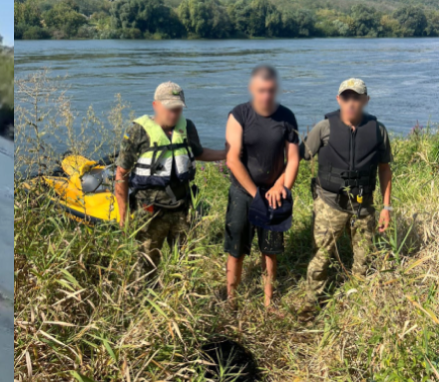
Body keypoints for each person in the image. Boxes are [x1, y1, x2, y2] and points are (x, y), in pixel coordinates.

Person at [299, 78, 392, 315]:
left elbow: (384, 169)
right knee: (321, 255)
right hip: (330, 203)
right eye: (346, 97)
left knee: (364, 256)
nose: (351, 103)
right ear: (339, 99)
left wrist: (386, 207)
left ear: (366, 100)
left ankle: (359, 304)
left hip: (363, 203)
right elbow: (300, 155)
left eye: (357, 98)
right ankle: (311, 306)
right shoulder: (324, 128)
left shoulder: (378, 130)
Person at [114, 82, 226, 269]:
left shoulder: (187, 127)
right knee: (145, 266)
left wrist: (226, 154)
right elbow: (121, 173)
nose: (174, 114)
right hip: (150, 212)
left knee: (186, 264)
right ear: (156, 106)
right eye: (169, 108)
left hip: (182, 208)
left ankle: (181, 297)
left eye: (178, 109)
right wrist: (123, 215)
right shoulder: (137, 131)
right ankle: (142, 296)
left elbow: (197, 153)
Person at [224, 65, 300, 309]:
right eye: (261, 90)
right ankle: (232, 298)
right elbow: (232, 159)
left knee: (270, 250)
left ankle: (269, 300)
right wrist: (255, 194)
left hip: (274, 195)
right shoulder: (238, 115)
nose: (266, 95)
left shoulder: (287, 117)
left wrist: (282, 186)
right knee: (236, 248)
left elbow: (294, 159)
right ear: (252, 89)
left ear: (276, 89)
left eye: (270, 90)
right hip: (243, 192)